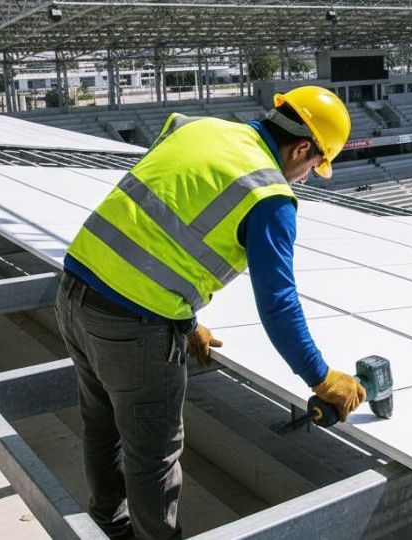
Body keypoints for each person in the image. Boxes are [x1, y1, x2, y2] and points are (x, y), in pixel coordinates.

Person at [55, 86, 366, 540]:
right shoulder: (269, 195)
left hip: (72, 293)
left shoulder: (196, 128)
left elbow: (158, 224)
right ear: (302, 148)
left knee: (103, 425)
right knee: (153, 457)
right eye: (314, 166)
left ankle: (110, 527)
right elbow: (278, 303)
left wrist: (184, 319)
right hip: (132, 328)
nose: (307, 176)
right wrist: (321, 378)